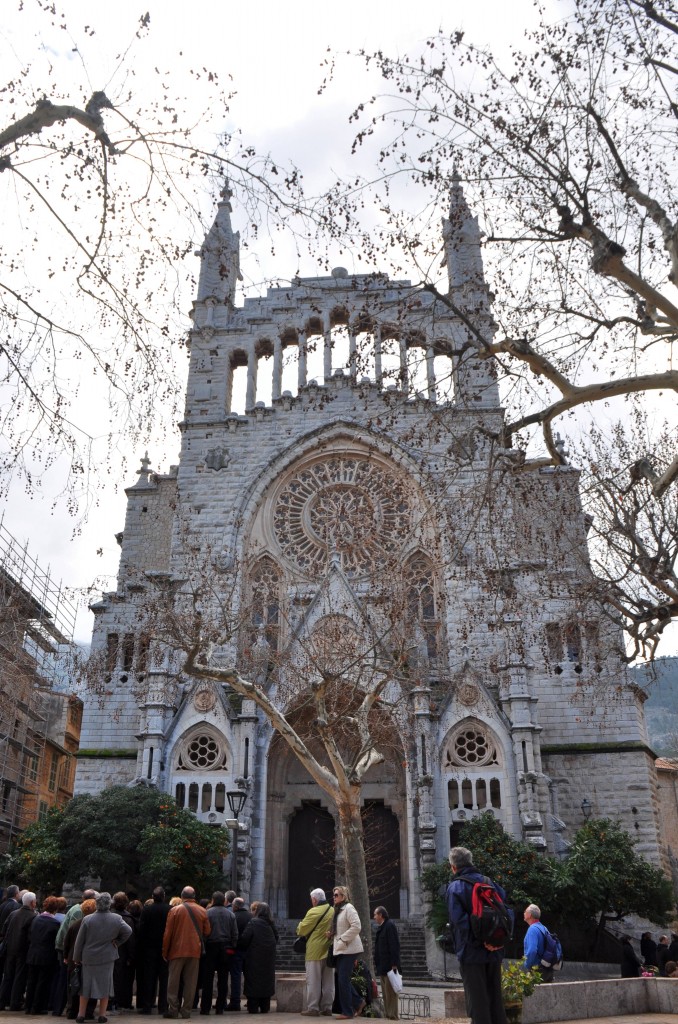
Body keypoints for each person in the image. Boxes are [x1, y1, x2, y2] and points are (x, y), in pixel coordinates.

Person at [447, 846, 510, 1024]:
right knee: (496, 1000)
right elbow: (506, 912)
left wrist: (480, 942)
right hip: (494, 950)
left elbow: (459, 922)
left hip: (471, 952)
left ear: (453, 867)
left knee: (477, 1002)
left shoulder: (455, 887)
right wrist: (496, 941)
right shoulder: (489, 882)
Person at [73, 891, 133, 1024]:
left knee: (86, 986)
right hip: (107, 957)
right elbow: (128, 931)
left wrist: (76, 957)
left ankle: (81, 1015)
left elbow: (79, 941)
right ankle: (102, 1015)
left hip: (89, 957)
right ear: (110, 904)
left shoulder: (87, 919)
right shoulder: (116, 919)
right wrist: (117, 942)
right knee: (105, 986)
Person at [162, 885, 211, 1020]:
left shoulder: (175, 910)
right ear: (194, 896)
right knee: (191, 982)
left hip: (176, 951)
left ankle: (173, 1009)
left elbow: (167, 934)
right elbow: (207, 931)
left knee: (173, 982)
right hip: (194, 951)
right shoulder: (202, 911)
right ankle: (186, 1010)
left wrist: (165, 951)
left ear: (182, 896)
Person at [297, 888, 334, 1017]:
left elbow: (301, 930)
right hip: (329, 950)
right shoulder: (332, 910)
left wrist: (300, 925)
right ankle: (328, 1007)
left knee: (313, 980)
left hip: (314, 950)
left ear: (314, 899)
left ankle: (313, 1008)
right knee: (329, 981)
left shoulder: (313, 911)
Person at [200, 891, 239, 1015]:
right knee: (223, 978)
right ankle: (220, 1007)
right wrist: (232, 946)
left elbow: (203, 932)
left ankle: (205, 1007)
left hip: (211, 946)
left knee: (208, 978)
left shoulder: (207, 913)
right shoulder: (230, 914)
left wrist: (204, 945)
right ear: (223, 901)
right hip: (225, 947)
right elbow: (235, 933)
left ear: (213, 900)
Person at [329, 886, 364, 1021]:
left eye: (336, 895)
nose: (334, 897)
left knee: (343, 979)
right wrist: (332, 934)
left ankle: (348, 1011)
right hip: (341, 948)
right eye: (334, 895)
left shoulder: (349, 908)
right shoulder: (338, 910)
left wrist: (343, 939)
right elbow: (341, 927)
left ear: (343, 896)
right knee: (342, 978)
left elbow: (357, 926)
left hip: (349, 948)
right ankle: (358, 1002)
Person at [0, 890, 37, 1011]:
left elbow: (4, 930)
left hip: (10, 949)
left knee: (8, 976)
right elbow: (31, 936)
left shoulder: (13, 914)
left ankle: (2, 1001)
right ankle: (15, 1003)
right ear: (32, 902)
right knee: (19, 977)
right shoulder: (33, 916)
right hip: (23, 950)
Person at [137, 886, 170, 1016]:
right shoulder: (170, 909)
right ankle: (163, 1006)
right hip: (165, 948)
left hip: (149, 948)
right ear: (164, 896)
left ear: (152, 897)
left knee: (149, 978)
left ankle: (147, 1006)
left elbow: (142, 929)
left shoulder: (147, 910)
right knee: (164, 979)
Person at [24, 894, 61, 1014]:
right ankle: (37, 1007)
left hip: (32, 953)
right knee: (42, 982)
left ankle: (28, 1006)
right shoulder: (55, 923)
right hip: (46, 956)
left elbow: (30, 935)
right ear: (55, 908)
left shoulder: (35, 919)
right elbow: (56, 941)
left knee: (31, 981)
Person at [239, 902, 278, 1014]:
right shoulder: (271, 924)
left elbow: (245, 939)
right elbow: (276, 938)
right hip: (268, 959)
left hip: (254, 958)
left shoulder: (253, 922)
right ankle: (265, 1006)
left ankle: (253, 1007)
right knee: (266, 982)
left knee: (253, 981)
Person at [63, 899, 96, 1022]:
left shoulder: (76, 924)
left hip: (73, 958)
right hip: (89, 960)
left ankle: (72, 1011)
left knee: (74, 985)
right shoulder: (94, 926)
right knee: (90, 986)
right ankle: (88, 1012)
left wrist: (65, 956)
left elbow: (66, 941)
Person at [373, 906, 401, 1020]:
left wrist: (394, 964)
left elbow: (394, 945)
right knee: (385, 993)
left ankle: (392, 1016)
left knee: (391, 994)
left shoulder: (389, 926)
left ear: (381, 915)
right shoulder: (382, 927)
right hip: (382, 966)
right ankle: (388, 1015)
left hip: (389, 966)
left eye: (375, 914)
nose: (374, 917)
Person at [110, 892, 136, 1012]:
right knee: (125, 978)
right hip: (123, 953)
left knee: (111, 978)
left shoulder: (110, 916)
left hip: (110, 950)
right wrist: (131, 956)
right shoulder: (129, 918)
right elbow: (131, 939)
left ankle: (112, 1001)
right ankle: (124, 1001)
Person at [228, 898, 252, 1012]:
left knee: (235, 977)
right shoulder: (251, 917)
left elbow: (231, 933)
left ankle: (235, 1002)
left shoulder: (233, 916)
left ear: (235, 906)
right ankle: (251, 1000)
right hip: (249, 951)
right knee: (249, 977)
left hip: (236, 951)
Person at [522, 904, 553, 982]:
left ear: (529, 915)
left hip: (536, 970)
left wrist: (527, 965)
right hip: (547, 969)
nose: (524, 913)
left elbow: (532, 951)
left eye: (525, 911)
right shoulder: (544, 928)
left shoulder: (532, 929)